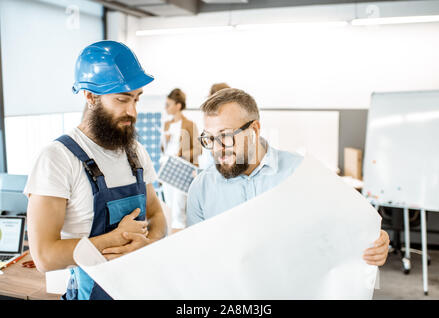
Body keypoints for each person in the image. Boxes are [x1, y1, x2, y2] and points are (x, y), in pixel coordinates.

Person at [25, 41, 167, 300]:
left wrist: (148, 245)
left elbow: (157, 216)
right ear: (90, 97)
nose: (132, 111)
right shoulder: (57, 159)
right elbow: (44, 256)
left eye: (136, 99)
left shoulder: (135, 151)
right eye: (122, 99)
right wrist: (116, 240)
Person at [187, 88, 390, 267]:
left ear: (254, 130)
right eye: (210, 138)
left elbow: (349, 224)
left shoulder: (301, 172)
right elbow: (198, 257)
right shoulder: (201, 189)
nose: (216, 148)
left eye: (225, 136)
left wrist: (377, 240)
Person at [161, 88, 201, 233]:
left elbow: (198, 149)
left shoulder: (190, 125)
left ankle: (181, 237)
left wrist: (181, 153)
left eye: (168, 104)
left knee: (179, 207)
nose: (166, 108)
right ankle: (171, 238)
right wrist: (165, 141)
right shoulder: (166, 125)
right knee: (170, 205)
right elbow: (165, 149)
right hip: (167, 167)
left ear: (178, 105)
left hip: (182, 168)